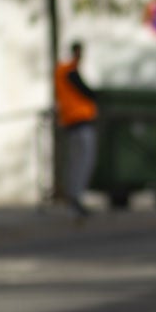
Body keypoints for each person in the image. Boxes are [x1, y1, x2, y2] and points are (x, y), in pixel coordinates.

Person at [54, 41, 99, 218]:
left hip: (72, 122)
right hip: (79, 122)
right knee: (81, 162)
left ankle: (74, 197)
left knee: (76, 162)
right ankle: (75, 198)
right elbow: (86, 91)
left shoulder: (62, 71)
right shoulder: (68, 70)